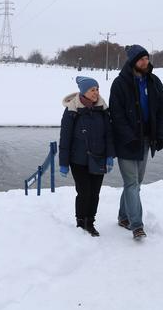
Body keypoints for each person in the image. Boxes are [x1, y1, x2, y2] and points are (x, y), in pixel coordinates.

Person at [109, 45, 163, 239]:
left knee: (135, 183)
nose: (146, 62)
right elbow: (116, 115)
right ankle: (137, 225)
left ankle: (123, 216)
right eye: (141, 59)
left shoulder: (153, 81)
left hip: (145, 140)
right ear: (133, 61)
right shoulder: (120, 84)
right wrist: (129, 138)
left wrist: (160, 135)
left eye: (147, 58)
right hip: (126, 142)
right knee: (132, 183)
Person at [58, 76, 115, 237]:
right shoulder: (72, 110)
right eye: (92, 90)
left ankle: (90, 222)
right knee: (84, 192)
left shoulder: (103, 109)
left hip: (99, 158)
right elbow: (65, 137)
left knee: (95, 193)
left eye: (97, 89)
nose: (96, 93)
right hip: (79, 160)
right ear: (84, 92)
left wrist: (110, 155)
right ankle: (80, 221)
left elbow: (109, 135)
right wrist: (64, 162)